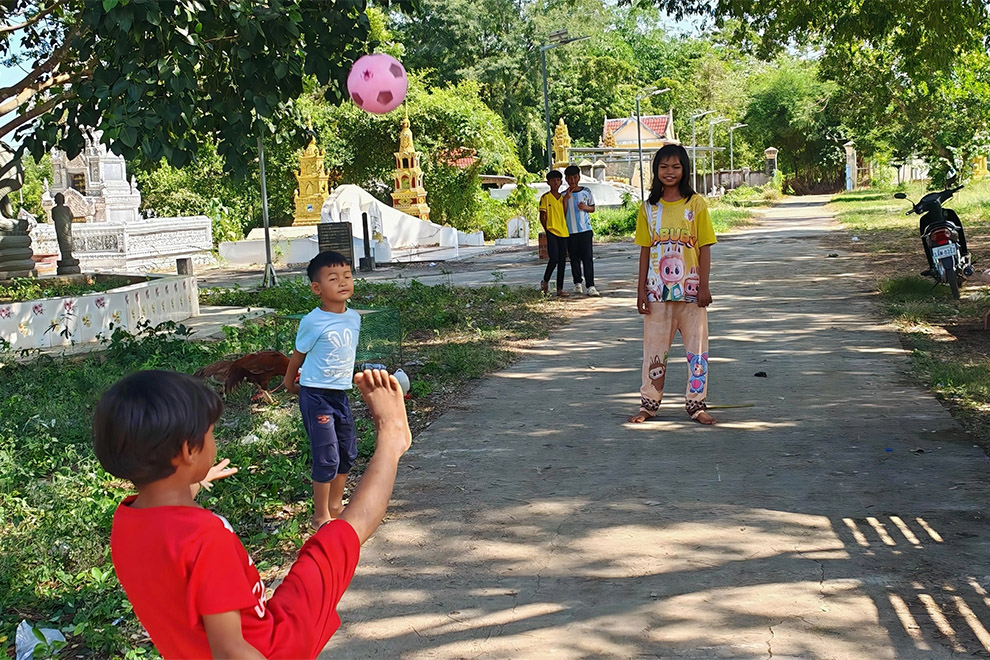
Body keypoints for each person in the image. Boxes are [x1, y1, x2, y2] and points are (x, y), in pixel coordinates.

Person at [93, 367, 412, 659]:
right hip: (274, 646)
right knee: (337, 539)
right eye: (210, 432)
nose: (212, 438)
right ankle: (392, 438)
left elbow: (166, 523)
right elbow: (231, 651)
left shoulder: (128, 521)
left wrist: (191, 481)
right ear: (189, 451)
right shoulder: (205, 538)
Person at [628, 144, 717, 426]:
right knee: (653, 352)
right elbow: (644, 250)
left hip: (691, 294)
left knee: (697, 351)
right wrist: (641, 289)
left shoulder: (696, 204)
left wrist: (704, 285)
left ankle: (696, 404)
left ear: (684, 170)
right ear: (656, 170)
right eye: (664, 167)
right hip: (656, 294)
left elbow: (705, 247)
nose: (670, 172)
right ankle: (649, 405)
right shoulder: (648, 208)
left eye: (676, 167)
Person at [281, 250, 361, 529]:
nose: (343, 282)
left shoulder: (354, 319)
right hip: (315, 395)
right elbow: (298, 355)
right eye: (333, 278)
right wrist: (290, 383)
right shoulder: (312, 321)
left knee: (348, 452)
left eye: (347, 276)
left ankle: (335, 504)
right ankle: (321, 516)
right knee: (327, 455)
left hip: (340, 394)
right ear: (317, 288)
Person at [562, 164, 600, 296]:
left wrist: (585, 207)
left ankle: (591, 285)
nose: (572, 180)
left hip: (585, 230)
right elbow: (562, 213)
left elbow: (593, 208)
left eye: (574, 177)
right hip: (570, 232)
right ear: (566, 179)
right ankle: (577, 283)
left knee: (587, 258)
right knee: (574, 258)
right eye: (569, 178)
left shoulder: (586, 192)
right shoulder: (563, 195)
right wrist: (566, 200)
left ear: (578, 177)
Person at [538, 169, 569, 296]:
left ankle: (560, 288)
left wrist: (566, 200)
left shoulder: (563, 198)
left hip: (564, 232)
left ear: (561, 182)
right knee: (554, 258)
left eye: (558, 180)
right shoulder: (545, 197)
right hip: (551, 231)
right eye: (553, 180)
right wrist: (547, 230)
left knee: (562, 260)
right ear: (549, 182)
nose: (556, 183)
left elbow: (565, 213)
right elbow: (542, 216)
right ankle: (545, 281)